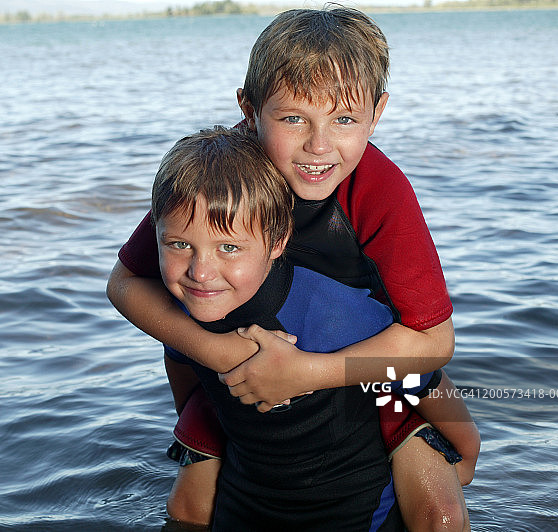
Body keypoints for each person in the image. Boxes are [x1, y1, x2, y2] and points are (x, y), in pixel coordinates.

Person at [107, 6, 480, 530]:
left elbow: (433, 343)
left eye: (344, 119)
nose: (318, 146)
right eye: (292, 118)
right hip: (238, 374)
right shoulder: (223, 178)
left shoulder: (380, 190)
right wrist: (222, 356)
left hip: (370, 378)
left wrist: (306, 373)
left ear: (378, 112)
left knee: (441, 514)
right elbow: (126, 283)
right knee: (186, 510)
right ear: (249, 109)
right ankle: (209, 432)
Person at [151, 125, 405, 529]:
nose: (200, 272)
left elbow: (417, 373)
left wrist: (445, 441)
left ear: (276, 241)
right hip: (244, 501)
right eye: (180, 244)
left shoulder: (332, 314)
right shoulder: (179, 313)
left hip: (352, 512)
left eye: (228, 248)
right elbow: (184, 370)